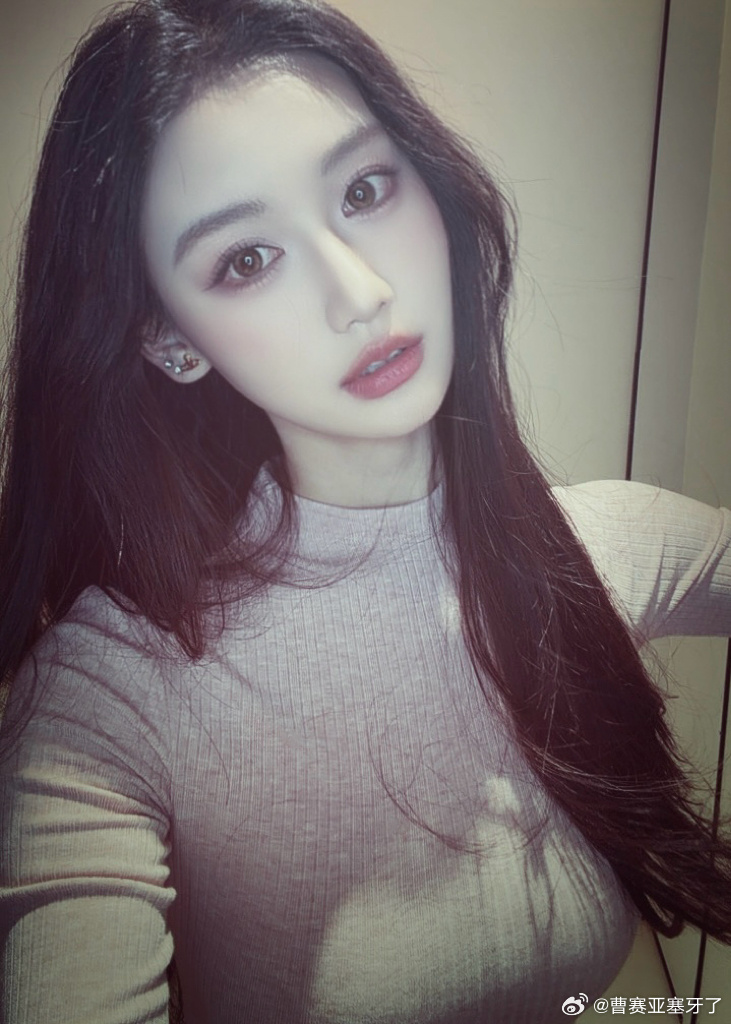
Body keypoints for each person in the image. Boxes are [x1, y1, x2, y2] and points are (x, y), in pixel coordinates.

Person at [0, 0, 729, 1021]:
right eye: (245, 259)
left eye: (363, 189)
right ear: (170, 339)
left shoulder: (596, 548)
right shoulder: (108, 698)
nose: (359, 291)